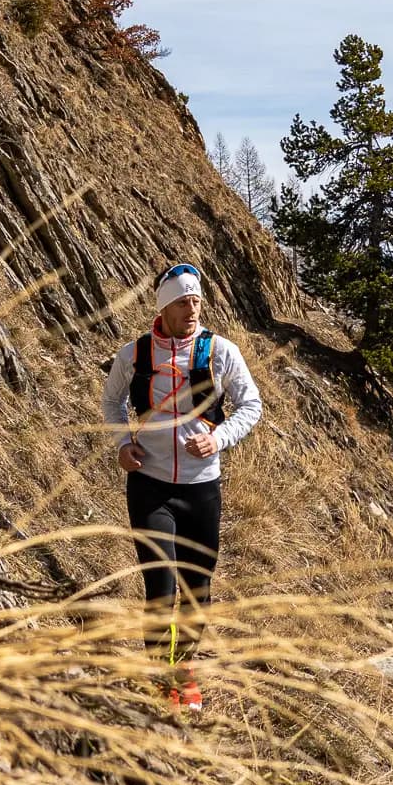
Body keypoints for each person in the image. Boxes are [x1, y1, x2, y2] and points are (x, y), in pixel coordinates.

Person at [100, 262, 263, 710]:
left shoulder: (220, 351)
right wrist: (121, 443)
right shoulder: (134, 354)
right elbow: (111, 401)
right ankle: (159, 678)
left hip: (201, 489)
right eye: (183, 302)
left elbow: (252, 405)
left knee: (197, 589)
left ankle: (185, 669)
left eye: (197, 302)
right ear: (164, 307)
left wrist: (219, 439)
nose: (193, 310)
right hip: (149, 486)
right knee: (161, 586)